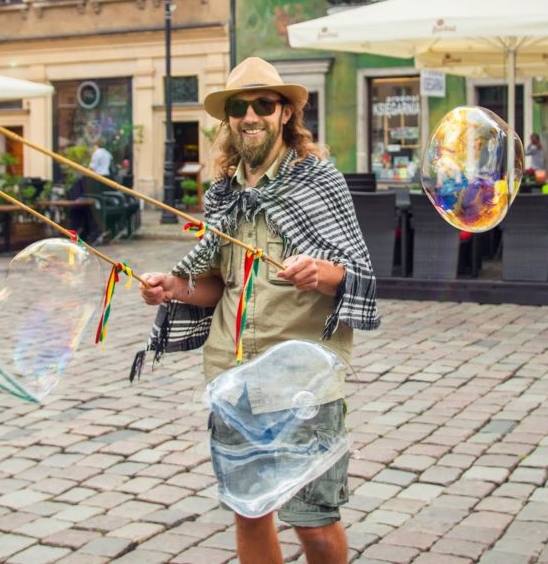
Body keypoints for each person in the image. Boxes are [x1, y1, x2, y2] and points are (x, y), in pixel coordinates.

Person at [138, 57, 379, 564]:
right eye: (237, 107)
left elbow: (362, 276)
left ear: (285, 112)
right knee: (249, 512)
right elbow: (215, 287)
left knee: (313, 524)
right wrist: (174, 287)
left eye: (263, 104)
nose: (250, 116)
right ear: (227, 119)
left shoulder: (320, 182)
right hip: (234, 377)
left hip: (301, 382)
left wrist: (323, 272)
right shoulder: (223, 195)